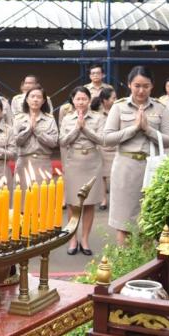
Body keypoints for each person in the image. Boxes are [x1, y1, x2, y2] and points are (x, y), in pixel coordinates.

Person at [104, 67, 169, 244]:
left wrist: (148, 130)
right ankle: (125, 267)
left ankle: (145, 267)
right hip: (126, 166)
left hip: (151, 169)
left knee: (147, 222)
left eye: (146, 86)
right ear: (129, 85)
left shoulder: (160, 108)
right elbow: (107, 139)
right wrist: (133, 129)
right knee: (124, 223)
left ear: (152, 86)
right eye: (137, 86)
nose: (141, 90)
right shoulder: (119, 107)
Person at [59, 88, 105, 254]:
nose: (80, 102)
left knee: (89, 203)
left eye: (84, 99)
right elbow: (63, 141)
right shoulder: (67, 118)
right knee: (72, 203)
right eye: (77, 99)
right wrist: (76, 128)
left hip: (92, 161)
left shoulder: (98, 117)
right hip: (74, 162)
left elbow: (102, 139)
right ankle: (73, 239)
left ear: (89, 99)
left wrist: (85, 128)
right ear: (72, 100)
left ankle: (85, 240)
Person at [10, 86, 58, 192]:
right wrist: (29, 129)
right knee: (22, 199)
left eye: (39, 97)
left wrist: (37, 131)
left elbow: (53, 142)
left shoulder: (49, 119)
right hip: (24, 162)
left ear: (44, 101)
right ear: (27, 100)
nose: (35, 99)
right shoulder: (19, 119)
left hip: (43, 162)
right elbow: (16, 141)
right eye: (32, 96)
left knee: (42, 198)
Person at [93, 86, 116, 210]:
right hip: (101, 146)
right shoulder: (96, 113)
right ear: (105, 100)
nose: (115, 100)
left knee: (116, 174)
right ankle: (103, 200)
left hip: (116, 146)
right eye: (113, 98)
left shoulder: (118, 111)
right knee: (102, 175)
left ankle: (115, 199)